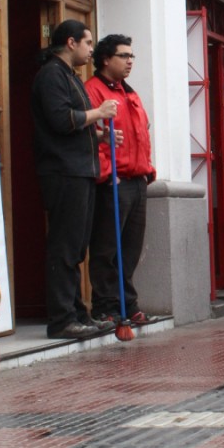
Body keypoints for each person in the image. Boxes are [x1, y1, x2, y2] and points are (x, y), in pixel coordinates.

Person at [31, 20, 118, 339]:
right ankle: (61, 318)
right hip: (63, 172)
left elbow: (74, 124)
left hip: (80, 170)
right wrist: (99, 114)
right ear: (71, 42)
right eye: (88, 42)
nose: (92, 48)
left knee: (77, 246)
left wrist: (100, 135)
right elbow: (60, 120)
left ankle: (78, 312)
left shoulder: (69, 76)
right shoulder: (52, 75)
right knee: (65, 247)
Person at [85, 34, 158, 326]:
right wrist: (106, 173)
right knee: (106, 249)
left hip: (137, 180)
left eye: (132, 56)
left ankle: (128, 304)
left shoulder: (130, 92)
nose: (130, 61)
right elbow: (92, 137)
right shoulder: (93, 91)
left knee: (130, 250)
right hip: (113, 181)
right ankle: (105, 307)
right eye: (123, 56)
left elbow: (142, 133)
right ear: (105, 59)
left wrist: (147, 170)